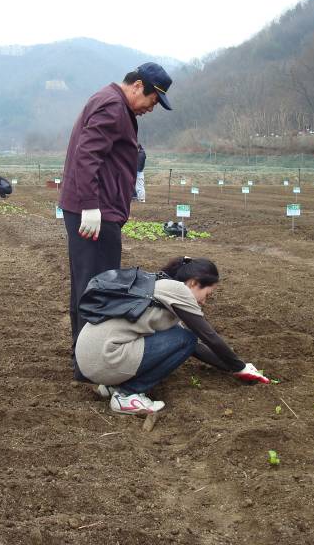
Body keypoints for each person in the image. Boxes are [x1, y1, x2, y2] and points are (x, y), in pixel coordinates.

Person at [59, 62, 173, 349]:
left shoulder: (111, 102)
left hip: (99, 208)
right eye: (153, 99)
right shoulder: (112, 105)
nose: (151, 108)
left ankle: (84, 354)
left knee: (88, 284)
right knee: (98, 287)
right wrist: (90, 206)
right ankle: (92, 358)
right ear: (137, 86)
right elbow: (87, 154)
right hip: (97, 212)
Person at [75, 257, 271, 415]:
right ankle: (127, 394)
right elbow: (205, 336)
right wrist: (240, 366)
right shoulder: (178, 291)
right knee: (185, 338)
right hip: (106, 359)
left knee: (182, 338)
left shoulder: (158, 284)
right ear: (194, 283)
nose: (204, 302)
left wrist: (232, 368)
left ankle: (112, 386)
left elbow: (194, 346)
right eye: (207, 294)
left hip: (91, 359)